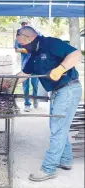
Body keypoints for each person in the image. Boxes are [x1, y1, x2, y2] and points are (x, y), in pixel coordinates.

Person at [12, 26, 82, 182]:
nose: (22, 47)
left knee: (57, 128)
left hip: (69, 88)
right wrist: (7, 83)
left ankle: (49, 168)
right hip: (57, 91)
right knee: (58, 127)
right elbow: (25, 74)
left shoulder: (50, 43)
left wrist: (60, 69)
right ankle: (66, 160)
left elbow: (76, 54)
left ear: (29, 38)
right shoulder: (34, 55)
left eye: (22, 44)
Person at [14, 20, 39, 112]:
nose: (24, 25)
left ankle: (35, 99)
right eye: (22, 24)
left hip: (35, 65)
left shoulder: (35, 36)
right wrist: (26, 50)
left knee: (35, 84)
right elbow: (16, 49)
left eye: (26, 24)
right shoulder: (18, 38)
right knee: (25, 85)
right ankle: (27, 104)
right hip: (25, 65)